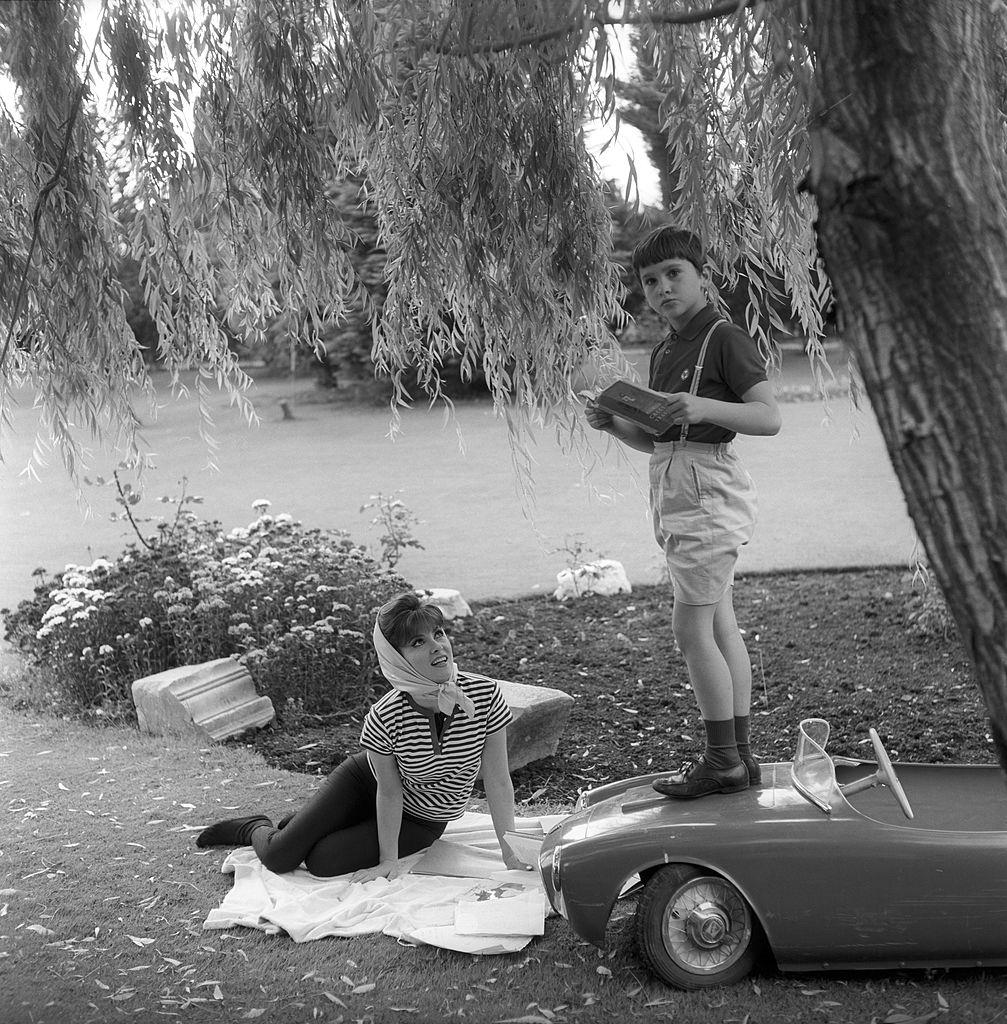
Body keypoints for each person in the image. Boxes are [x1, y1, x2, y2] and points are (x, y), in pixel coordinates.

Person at [586, 226, 781, 799]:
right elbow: (660, 441)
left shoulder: (724, 336)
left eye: (674, 274)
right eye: (651, 280)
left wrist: (701, 404)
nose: (663, 287)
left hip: (707, 493)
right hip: (676, 488)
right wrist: (616, 425)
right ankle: (740, 759)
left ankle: (721, 761)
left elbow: (768, 417)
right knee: (719, 623)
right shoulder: (667, 350)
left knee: (689, 625)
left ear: (703, 276)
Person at [195, 592, 530, 878]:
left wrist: (510, 852)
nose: (437, 646)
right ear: (396, 658)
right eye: (418, 641)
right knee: (280, 858)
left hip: (425, 818)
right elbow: (388, 791)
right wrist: (388, 860)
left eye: (438, 633)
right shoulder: (386, 715)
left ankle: (305, 824)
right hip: (366, 784)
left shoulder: (484, 695)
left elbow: (498, 780)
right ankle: (255, 826)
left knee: (322, 862)